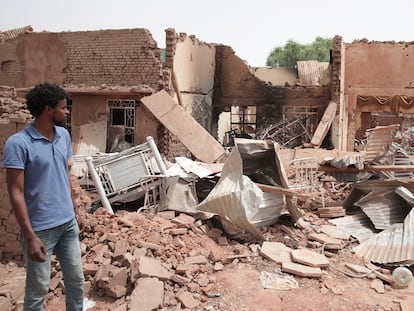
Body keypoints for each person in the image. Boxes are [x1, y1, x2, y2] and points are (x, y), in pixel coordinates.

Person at [2, 83, 84, 311]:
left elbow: (65, 175)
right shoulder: (19, 144)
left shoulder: (64, 136)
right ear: (48, 110)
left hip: (67, 224)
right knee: (38, 290)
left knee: (76, 281)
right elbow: (15, 192)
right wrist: (29, 237)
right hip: (39, 229)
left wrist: (75, 208)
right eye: (63, 108)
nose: (67, 112)